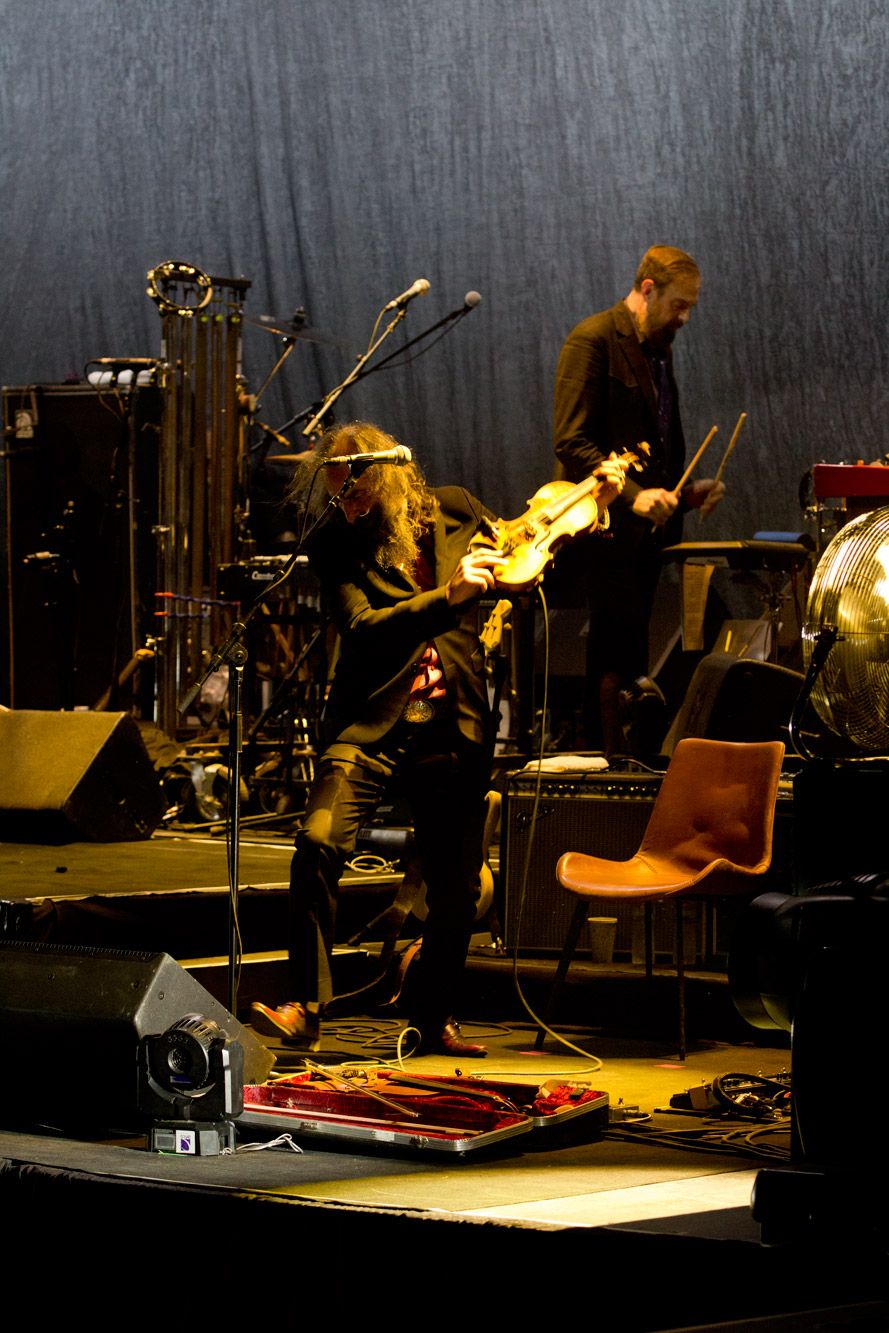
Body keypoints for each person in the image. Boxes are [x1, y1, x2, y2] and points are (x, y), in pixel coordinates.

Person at [251, 421, 627, 1055]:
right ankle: (304, 1006)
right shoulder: (335, 543)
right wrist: (447, 597)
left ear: (389, 477)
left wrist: (594, 503)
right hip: (371, 719)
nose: (349, 503)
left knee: (455, 882)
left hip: (453, 717)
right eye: (339, 493)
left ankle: (431, 1015)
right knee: (317, 840)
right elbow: (364, 626)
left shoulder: (453, 508)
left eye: (358, 490)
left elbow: (527, 542)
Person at [553, 244, 725, 755]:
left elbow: (654, 440)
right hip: (600, 528)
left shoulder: (657, 349)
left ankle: (624, 766)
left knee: (630, 659)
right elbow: (572, 441)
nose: (686, 316)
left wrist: (684, 494)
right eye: (679, 304)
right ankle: (607, 770)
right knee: (610, 660)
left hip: (640, 535)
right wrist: (631, 496)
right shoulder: (593, 339)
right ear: (648, 290)